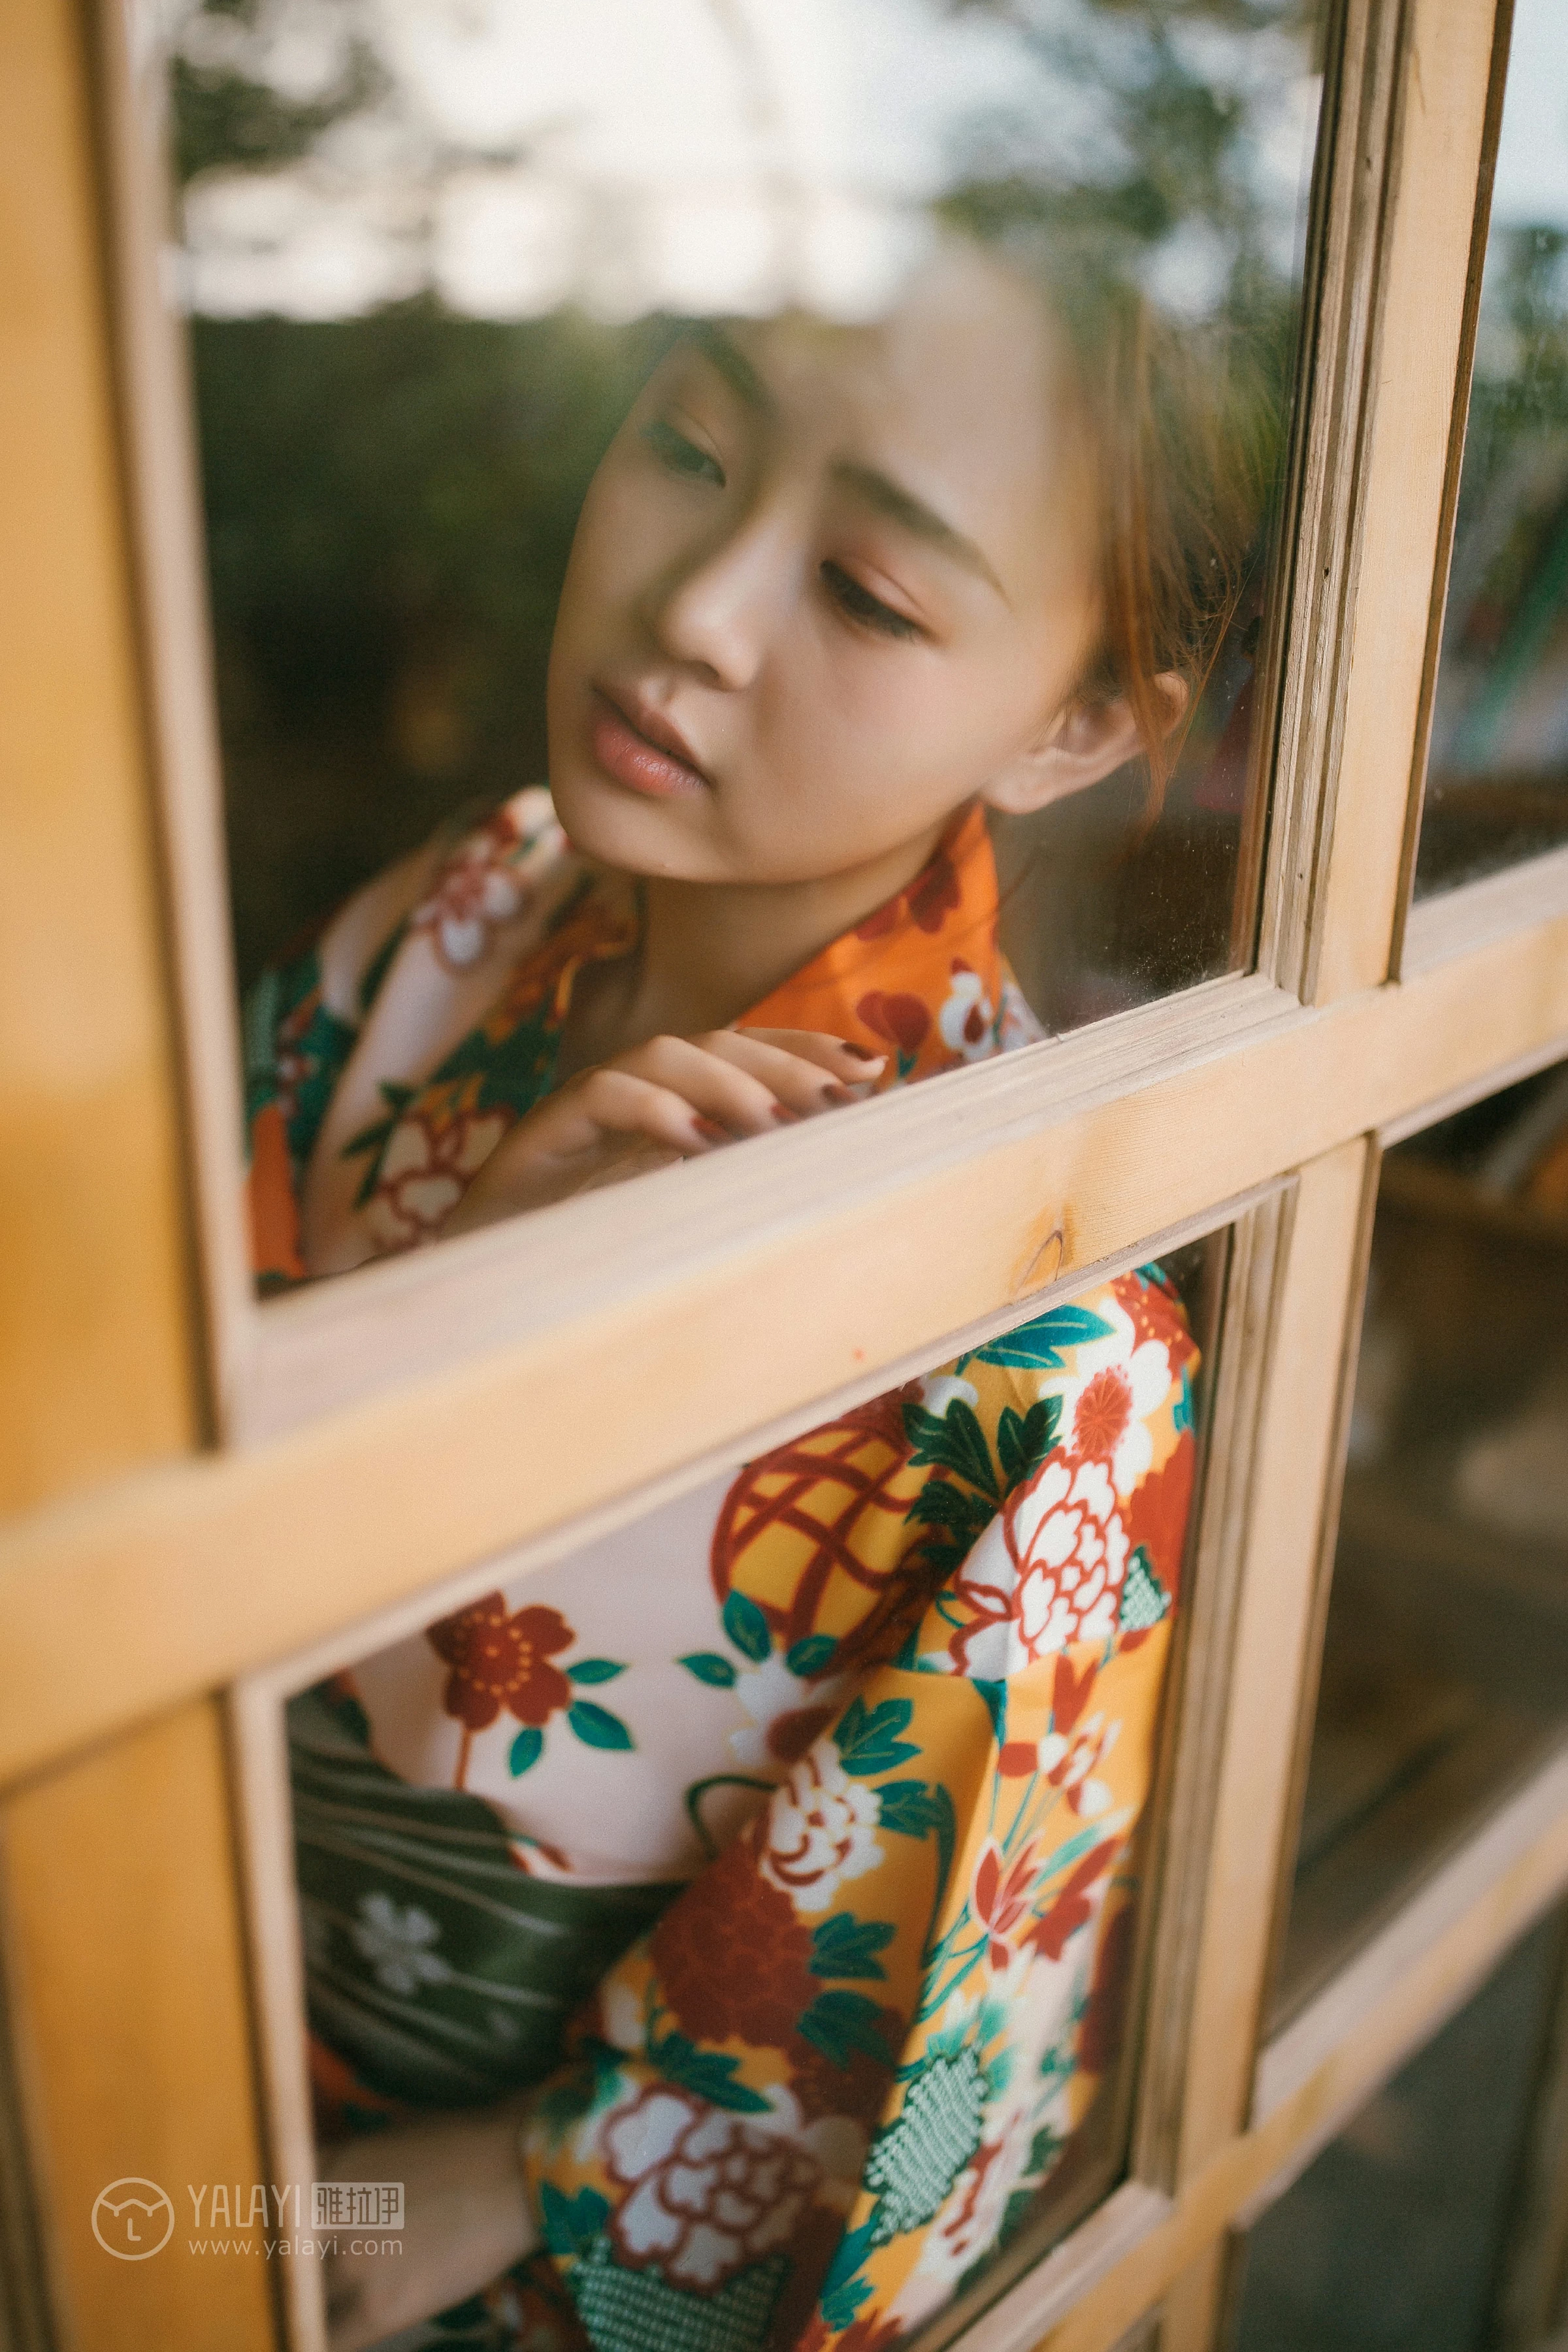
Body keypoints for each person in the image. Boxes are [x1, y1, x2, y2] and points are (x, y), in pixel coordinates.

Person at [246, 220, 1250, 2350]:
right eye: (693, 444)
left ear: (1077, 721)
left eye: (871, 592)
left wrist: (524, 2185)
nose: (690, 611)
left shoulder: (1044, 1356)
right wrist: (420, 1312)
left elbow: (933, 2054)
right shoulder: (465, 907)